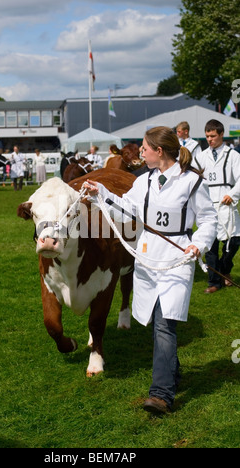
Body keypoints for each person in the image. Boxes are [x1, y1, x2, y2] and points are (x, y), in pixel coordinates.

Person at [84, 126, 217, 414]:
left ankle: (161, 393)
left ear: (160, 151)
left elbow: (208, 220)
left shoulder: (192, 182)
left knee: (165, 322)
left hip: (177, 259)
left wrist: (198, 244)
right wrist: (101, 192)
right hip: (146, 258)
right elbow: (126, 209)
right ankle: (172, 373)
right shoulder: (143, 181)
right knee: (158, 322)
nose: (140, 152)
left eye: (145, 148)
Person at [192, 119, 240, 293]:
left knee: (233, 242)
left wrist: (232, 195)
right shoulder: (200, 158)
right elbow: (193, 179)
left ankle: (225, 270)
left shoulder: (233, 155)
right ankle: (214, 282)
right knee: (210, 246)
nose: (210, 140)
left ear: (221, 134)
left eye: (213, 136)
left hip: (226, 203)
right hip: (207, 206)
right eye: (207, 136)